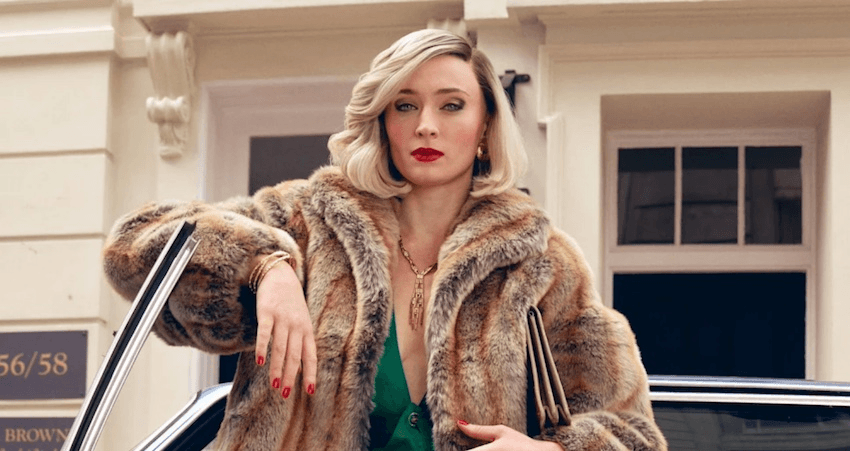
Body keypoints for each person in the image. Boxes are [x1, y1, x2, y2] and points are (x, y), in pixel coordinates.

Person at [103, 28, 667, 451]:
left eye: (451, 105)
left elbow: (633, 432)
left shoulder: (539, 263)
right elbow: (133, 246)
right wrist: (263, 267)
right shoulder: (307, 222)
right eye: (405, 105)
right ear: (383, 123)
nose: (426, 125)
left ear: (484, 129)